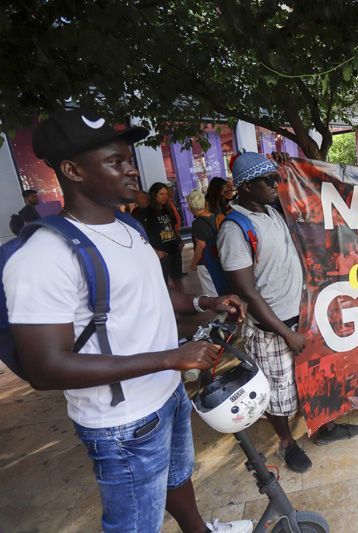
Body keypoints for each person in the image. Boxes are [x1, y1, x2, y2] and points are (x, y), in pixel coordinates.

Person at [4, 108, 252, 533]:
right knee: (134, 524)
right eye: (115, 162)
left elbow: (162, 295)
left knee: (177, 478)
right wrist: (171, 358)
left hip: (165, 394)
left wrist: (209, 301)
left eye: (129, 159)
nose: (132, 171)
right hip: (123, 423)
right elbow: (47, 368)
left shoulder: (127, 227)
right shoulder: (44, 258)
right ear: (72, 171)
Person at [217, 151, 358, 474]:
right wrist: (286, 333)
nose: (276, 184)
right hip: (273, 328)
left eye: (276, 178)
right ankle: (287, 443)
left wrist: (289, 166)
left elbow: (307, 192)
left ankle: (324, 426)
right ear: (247, 186)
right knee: (278, 391)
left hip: (304, 316)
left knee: (317, 376)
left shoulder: (273, 211)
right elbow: (248, 293)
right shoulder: (235, 229)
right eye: (269, 180)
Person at [141, 182, 184, 289]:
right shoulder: (147, 212)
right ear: (154, 195)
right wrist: (155, 251)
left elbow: (173, 227)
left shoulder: (167, 209)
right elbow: (142, 235)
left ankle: (184, 301)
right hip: (162, 253)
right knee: (165, 282)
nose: (165, 196)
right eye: (161, 194)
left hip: (174, 249)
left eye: (166, 194)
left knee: (178, 278)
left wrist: (179, 240)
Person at [187, 189, 219, 297]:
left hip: (205, 261)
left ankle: (221, 312)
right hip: (217, 258)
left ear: (191, 206)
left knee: (211, 292)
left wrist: (193, 263)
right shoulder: (215, 217)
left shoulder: (197, 223)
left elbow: (201, 245)